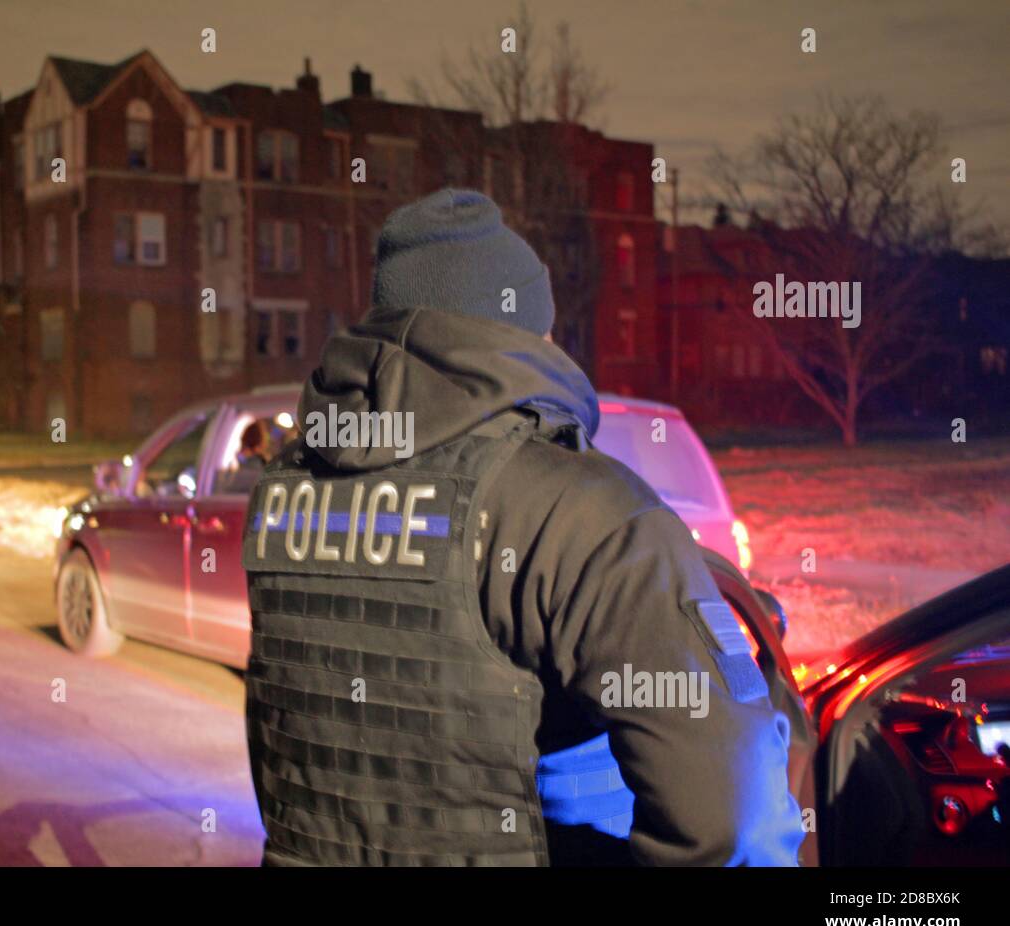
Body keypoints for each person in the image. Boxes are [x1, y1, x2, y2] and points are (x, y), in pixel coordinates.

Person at [241, 188, 804, 866]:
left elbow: (288, 754)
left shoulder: (286, 486)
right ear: (525, 333)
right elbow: (736, 822)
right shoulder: (584, 510)